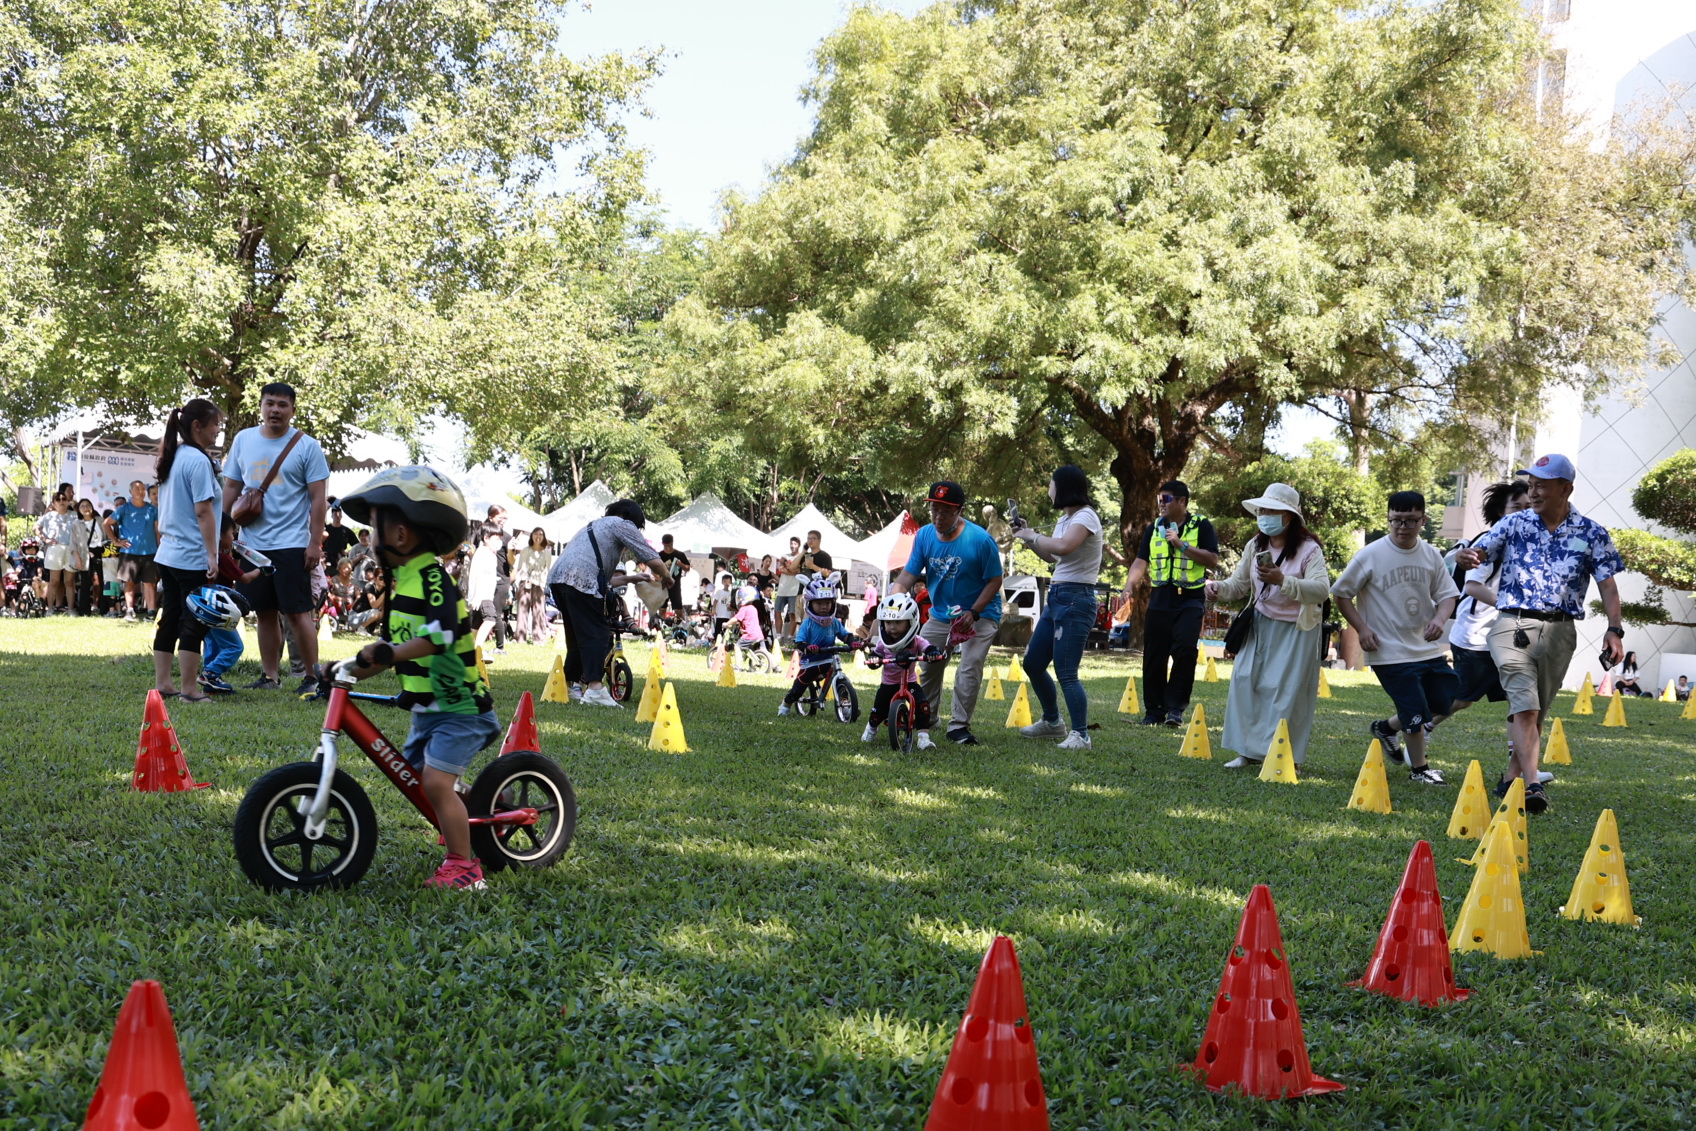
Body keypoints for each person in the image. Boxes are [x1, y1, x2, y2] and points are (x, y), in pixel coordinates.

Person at [337, 466, 499, 890]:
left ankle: (465, 869)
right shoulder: (401, 580)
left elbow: (440, 636)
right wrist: (344, 668)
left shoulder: (432, 578)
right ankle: (478, 812)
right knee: (417, 779)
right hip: (429, 710)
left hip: (459, 707)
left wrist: (389, 652)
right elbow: (388, 651)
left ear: (401, 534)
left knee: (434, 782)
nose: (369, 537)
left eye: (374, 527)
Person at [1456, 454, 1625, 813]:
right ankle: (1533, 785)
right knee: (1525, 704)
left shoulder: (1592, 533)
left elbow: (1608, 586)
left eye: (1541, 486)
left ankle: (1511, 778)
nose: (1532, 492)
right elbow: (1481, 552)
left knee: (1537, 710)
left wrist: (1614, 630)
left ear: (1566, 489)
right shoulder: (1514, 523)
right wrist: (1468, 557)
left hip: (1560, 631)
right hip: (1512, 625)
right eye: (1531, 485)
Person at [1330, 491, 1460, 785]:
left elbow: (1448, 595)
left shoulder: (1430, 554)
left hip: (1425, 647)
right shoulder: (1370, 554)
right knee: (1414, 710)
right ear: (1388, 519)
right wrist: (1362, 629)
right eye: (1396, 520)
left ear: (1423, 520)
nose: (1402, 527)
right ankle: (1420, 770)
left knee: (1446, 697)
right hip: (1387, 650)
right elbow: (1341, 594)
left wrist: (1439, 619)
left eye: (1410, 520)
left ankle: (1387, 728)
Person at [1205, 483, 1331, 769]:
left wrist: (1282, 580)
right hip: (1260, 624)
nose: (1265, 516)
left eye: (1272, 510)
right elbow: (1239, 585)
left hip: (1297, 630)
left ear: (1290, 516)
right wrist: (1217, 589)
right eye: (1262, 510)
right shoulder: (1255, 545)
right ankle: (1247, 752)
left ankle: (1283, 755)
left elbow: (1321, 590)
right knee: (1245, 682)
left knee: (1286, 693)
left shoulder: (1309, 549)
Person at [220, 382, 331, 695]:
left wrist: (314, 543)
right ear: (261, 406)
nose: (275, 410)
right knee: (264, 612)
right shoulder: (243, 440)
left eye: (282, 405)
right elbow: (231, 487)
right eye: (270, 403)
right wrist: (222, 530)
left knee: (297, 612)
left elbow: (318, 499)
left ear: (293, 410)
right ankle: (270, 676)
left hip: (292, 544)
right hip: (251, 545)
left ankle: (312, 676)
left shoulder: (307, 446)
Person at [889, 481, 1004, 746]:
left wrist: (974, 612)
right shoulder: (924, 536)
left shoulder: (980, 540)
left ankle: (959, 726)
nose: (939, 517)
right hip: (941, 614)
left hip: (981, 613)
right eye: (934, 510)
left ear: (960, 511)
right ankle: (927, 718)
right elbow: (907, 575)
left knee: (969, 666)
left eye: (946, 512)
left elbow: (995, 580)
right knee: (929, 663)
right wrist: (894, 600)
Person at [1011, 465, 1106, 749]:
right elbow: (1052, 556)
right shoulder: (1065, 519)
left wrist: (1033, 535)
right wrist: (1027, 537)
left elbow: (1064, 546)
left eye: (1051, 484)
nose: (1049, 490)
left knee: (1066, 671)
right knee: (1033, 663)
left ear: (1063, 487)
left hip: (1077, 599)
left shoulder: (1086, 516)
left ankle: (1081, 735)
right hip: (1057, 596)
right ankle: (1052, 722)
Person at [546, 500, 668, 707]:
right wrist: (667, 577)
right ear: (631, 518)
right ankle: (595, 688)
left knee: (577, 635)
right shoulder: (622, 524)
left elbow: (604, 580)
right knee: (598, 632)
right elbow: (650, 557)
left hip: (559, 580)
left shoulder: (594, 526)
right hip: (579, 580)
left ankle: (568, 685)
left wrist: (632, 578)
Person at [1123, 480, 1220, 726]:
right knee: (1154, 655)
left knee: (1185, 650)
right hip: (1160, 600)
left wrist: (1181, 544)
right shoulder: (1154, 528)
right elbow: (1141, 560)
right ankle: (1154, 711)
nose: (1160, 504)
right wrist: (1129, 585)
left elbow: (1212, 559)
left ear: (1182, 501)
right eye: (1159, 500)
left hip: (1190, 600)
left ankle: (1175, 709)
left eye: (1165, 499)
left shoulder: (1201, 525)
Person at [150, 399, 225, 703]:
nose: (217, 430)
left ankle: (163, 684)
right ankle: (190, 690)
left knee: (170, 617)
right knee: (193, 622)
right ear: (197, 426)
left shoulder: (174, 455)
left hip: (168, 554)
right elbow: (203, 511)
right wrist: (212, 555)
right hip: (191, 555)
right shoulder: (197, 460)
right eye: (215, 424)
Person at [861, 592, 946, 748]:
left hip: (910, 682)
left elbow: (927, 647)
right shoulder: (883, 642)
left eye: (898, 622)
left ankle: (923, 738)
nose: (892, 627)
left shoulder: (915, 640)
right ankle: (871, 729)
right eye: (888, 622)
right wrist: (874, 660)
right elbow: (876, 655)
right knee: (878, 712)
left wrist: (932, 652)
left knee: (922, 706)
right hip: (889, 684)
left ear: (910, 622)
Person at [198, 516, 262, 693]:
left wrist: (236, 555)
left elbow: (233, 571)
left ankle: (211, 681)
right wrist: (262, 569)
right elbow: (245, 578)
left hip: (205, 608)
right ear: (219, 535)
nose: (234, 538)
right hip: (220, 610)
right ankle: (211, 673)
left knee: (212, 644)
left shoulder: (208, 555)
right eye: (232, 534)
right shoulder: (222, 559)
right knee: (234, 646)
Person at [780, 573, 858, 715]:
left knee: (840, 679)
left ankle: (846, 704)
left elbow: (845, 635)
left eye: (827, 603)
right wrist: (808, 647)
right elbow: (800, 642)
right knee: (799, 687)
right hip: (810, 662)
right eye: (819, 603)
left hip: (829, 659)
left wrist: (853, 642)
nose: (824, 607)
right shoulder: (807, 623)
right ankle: (786, 705)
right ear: (810, 603)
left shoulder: (834, 622)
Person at [105, 480, 160, 622]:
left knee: (149, 583)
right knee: (129, 583)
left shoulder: (153, 509)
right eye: (136, 489)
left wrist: (160, 548)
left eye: (142, 489)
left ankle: (151, 612)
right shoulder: (124, 509)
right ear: (130, 492)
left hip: (150, 551)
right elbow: (106, 523)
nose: (140, 491)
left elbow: (157, 531)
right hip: (129, 552)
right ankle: (129, 610)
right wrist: (116, 541)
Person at [36, 492, 77, 613]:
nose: (61, 501)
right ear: (53, 503)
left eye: (64, 499)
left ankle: (71, 610)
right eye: (58, 499)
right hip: (55, 549)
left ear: (68, 501)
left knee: (69, 581)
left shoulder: (75, 515)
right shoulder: (49, 516)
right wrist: (45, 539)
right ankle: (50, 609)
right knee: (54, 581)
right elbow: (36, 528)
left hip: (71, 549)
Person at [467, 524, 504, 658]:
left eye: (500, 538)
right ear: (486, 538)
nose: (499, 542)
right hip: (482, 595)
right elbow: (479, 575)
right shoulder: (483, 553)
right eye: (496, 538)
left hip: (483, 595)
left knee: (476, 626)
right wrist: (477, 597)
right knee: (490, 620)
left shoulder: (489, 553)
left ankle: (468, 651)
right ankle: (478, 650)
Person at [514, 527, 555, 645]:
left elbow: (547, 569)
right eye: (536, 534)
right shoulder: (526, 550)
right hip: (525, 581)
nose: (538, 536)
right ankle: (520, 638)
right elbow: (520, 567)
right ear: (531, 536)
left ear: (544, 537)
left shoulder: (547, 552)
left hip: (540, 583)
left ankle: (539, 638)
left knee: (539, 611)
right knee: (522, 610)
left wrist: (545, 584)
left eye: (541, 534)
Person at [70, 497, 106, 615]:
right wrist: (77, 558)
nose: (86, 508)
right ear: (79, 510)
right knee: (85, 582)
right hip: (84, 553)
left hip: (101, 552)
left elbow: (107, 536)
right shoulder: (76, 523)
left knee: (102, 580)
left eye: (88, 505)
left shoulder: (100, 520)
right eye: (82, 506)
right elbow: (73, 543)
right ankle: (84, 610)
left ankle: (104, 608)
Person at [773, 536, 804, 641]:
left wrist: (789, 568)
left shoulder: (801, 557)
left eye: (795, 544)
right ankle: (778, 634)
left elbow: (798, 571)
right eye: (791, 543)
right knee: (777, 611)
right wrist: (792, 570)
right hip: (782, 589)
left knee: (792, 613)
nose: (792, 546)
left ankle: (790, 635)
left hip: (794, 590)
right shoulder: (784, 556)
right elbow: (782, 569)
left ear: (799, 545)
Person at [656, 534, 692, 618]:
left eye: (670, 545)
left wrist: (681, 564)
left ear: (673, 542)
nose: (668, 547)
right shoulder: (659, 555)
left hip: (675, 586)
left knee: (678, 611)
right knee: (662, 610)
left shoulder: (680, 554)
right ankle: (662, 625)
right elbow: (654, 570)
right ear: (663, 544)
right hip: (662, 586)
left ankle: (681, 625)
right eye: (666, 546)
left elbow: (688, 568)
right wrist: (659, 578)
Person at [321, 500, 359, 570]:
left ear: (341, 516)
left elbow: (357, 545)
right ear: (331, 516)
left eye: (339, 514)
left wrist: (348, 552)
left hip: (340, 565)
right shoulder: (326, 529)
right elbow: (317, 541)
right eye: (335, 514)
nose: (337, 516)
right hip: (325, 563)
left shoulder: (347, 531)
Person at [710, 571, 735, 641]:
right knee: (718, 629)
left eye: (728, 582)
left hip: (728, 615)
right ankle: (716, 641)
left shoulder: (731, 593)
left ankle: (725, 642)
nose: (727, 583)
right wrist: (714, 610)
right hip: (720, 614)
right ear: (722, 582)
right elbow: (715, 601)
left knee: (726, 630)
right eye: (725, 581)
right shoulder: (719, 591)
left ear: (731, 582)